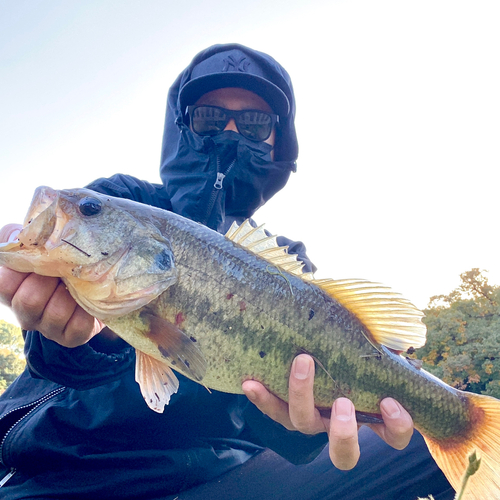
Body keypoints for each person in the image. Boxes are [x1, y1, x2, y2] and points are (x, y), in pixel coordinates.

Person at [0, 44, 454, 499]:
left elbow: (274, 429)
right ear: (183, 127)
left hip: (225, 480)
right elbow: (52, 359)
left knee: (434, 446)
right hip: (68, 474)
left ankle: (460, 420)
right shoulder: (123, 198)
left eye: (255, 122)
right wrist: (82, 340)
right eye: (210, 117)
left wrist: (306, 428)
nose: (231, 131)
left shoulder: (289, 262)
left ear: (278, 140)